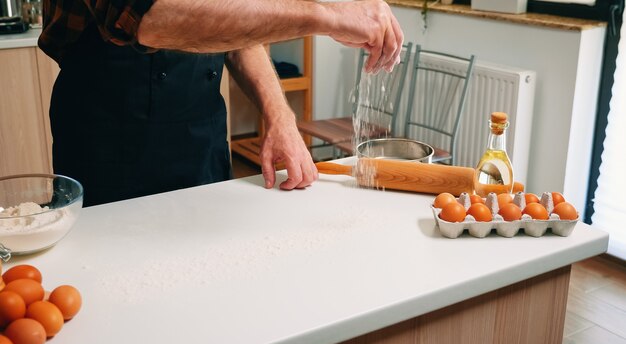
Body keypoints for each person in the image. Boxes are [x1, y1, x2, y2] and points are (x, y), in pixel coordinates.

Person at [38, 0, 404, 206]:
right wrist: (329, 14)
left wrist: (280, 115)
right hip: (109, 137)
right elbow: (152, 18)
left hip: (202, 137)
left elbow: (238, 29)